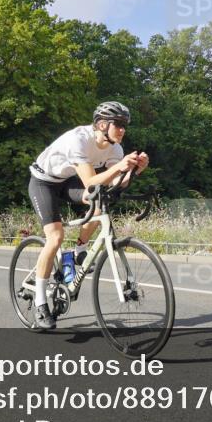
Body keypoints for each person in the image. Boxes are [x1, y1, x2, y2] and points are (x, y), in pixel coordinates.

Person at [27, 101, 149, 329]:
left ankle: (79, 252)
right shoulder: (79, 140)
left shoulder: (115, 148)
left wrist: (134, 171)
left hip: (68, 180)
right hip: (44, 182)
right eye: (119, 125)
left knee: (99, 204)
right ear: (102, 125)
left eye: (125, 125)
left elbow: (114, 184)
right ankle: (40, 302)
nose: (123, 130)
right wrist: (120, 166)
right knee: (55, 237)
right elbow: (91, 181)